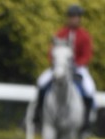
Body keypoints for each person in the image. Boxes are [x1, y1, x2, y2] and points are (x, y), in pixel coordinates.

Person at [34, 4, 98, 132]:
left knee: (90, 89)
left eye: (76, 17)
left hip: (78, 68)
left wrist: (76, 65)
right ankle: (38, 115)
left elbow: (87, 55)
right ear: (68, 18)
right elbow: (52, 52)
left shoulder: (84, 36)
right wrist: (56, 63)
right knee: (41, 82)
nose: (74, 19)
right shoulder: (61, 33)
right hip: (60, 67)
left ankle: (86, 121)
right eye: (72, 17)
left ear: (80, 19)